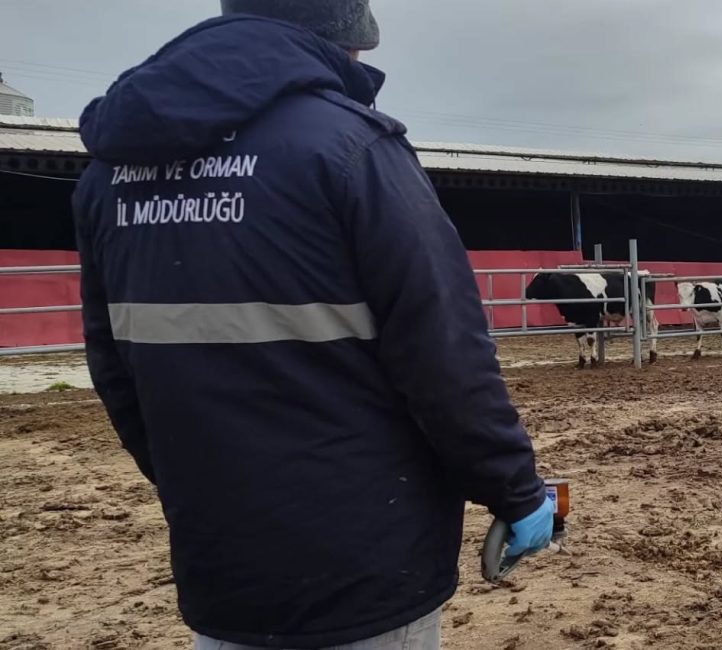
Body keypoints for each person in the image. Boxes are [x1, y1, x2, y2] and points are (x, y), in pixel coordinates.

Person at [73, 1, 553, 648]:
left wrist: (209, 494)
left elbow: (115, 371)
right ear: (338, 39)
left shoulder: (109, 175)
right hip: (365, 570)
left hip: (222, 568)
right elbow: (446, 361)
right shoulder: (352, 150)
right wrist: (517, 493)